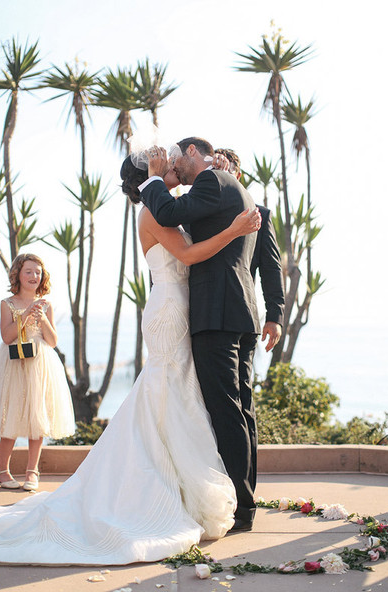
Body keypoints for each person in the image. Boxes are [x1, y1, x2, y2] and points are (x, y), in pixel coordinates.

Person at [0, 157, 260, 565]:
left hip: (178, 305)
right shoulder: (153, 211)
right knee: (168, 389)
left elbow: (196, 219)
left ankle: (178, 482)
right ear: (151, 174)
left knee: (174, 391)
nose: (173, 162)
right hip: (170, 309)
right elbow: (189, 255)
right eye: (164, 161)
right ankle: (156, 486)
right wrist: (234, 229)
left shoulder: (166, 207)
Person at [140, 138, 261, 532]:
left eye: (176, 160)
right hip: (237, 310)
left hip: (217, 311)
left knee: (226, 410)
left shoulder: (212, 180)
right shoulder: (228, 184)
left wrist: (152, 179)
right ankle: (245, 500)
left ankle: (240, 506)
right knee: (239, 408)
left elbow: (170, 212)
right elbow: (186, 225)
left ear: (192, 152)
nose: (174, 167)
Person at [0, 254, 75, 492]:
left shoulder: (46, 305)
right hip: (14, 364)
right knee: (11, 415)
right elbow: (6, 336)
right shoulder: (7, 303)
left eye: (38, 272)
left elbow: (52, 341)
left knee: (37, 416)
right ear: (18, 275)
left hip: (39, 365)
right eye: (29, 271)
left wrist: (42, 320)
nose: (34, 276)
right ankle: (1, 470)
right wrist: (24, 315)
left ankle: (33, 471)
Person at [215, 148, 285, 352]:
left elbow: (271, 268)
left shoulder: (260, 215)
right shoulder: (195, 213)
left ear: (237, 176)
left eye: (228, 172)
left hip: (244, 316)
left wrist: (274, 318)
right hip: (205, 319)